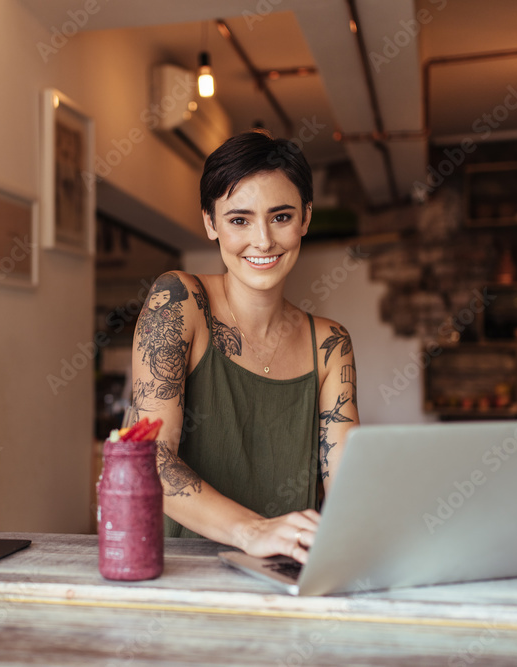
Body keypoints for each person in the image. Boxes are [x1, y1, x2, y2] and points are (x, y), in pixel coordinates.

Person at [127, 130, 360, 564]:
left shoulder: (330, 344)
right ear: (210, 224)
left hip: (287, 575)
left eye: (281, 216)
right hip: (180, 575)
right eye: (239, 219)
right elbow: (148, 458)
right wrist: (252, 531)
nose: (264, 240)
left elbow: (348, 485)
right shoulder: (178, 301)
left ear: (306, 218)